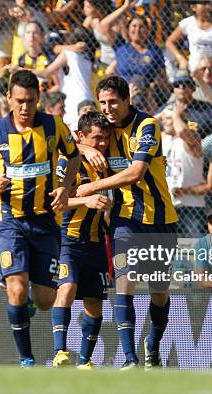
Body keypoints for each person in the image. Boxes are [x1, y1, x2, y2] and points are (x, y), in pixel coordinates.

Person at [0, 70, 81, 367]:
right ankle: (26, 357)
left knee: (46, 300)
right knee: (17, 287)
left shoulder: (53, 126)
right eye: (20, 101)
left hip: (45, 219)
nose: (25, 107)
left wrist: (64, 186)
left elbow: (72, 156)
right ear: (9, 98)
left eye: (31, 101)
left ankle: (29, 307)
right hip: (9, 218)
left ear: (39, 99)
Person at [75, 76, 178, 370]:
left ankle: (153, 345)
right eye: (103, 102)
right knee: (125, 282)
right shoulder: (103, 129)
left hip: (159, 219)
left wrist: (93, 187)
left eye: (113, 102)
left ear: (127, 100)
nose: (107, 108)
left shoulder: (147, 126)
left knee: (159, 290)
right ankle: (130, 358)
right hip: (125, 220)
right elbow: (69, 138)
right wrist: (86, 149)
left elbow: (135, 172)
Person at [51, 111, 112, 370]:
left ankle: (85, 360)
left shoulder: (106, 162)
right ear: (81, 136)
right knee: (67, 287)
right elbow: (53, 202)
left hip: (96, 241)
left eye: (105, 138)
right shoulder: (68, 162)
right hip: (69, 239)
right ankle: (59, 351)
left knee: (94, 302)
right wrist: (85, 200)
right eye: (96, 138)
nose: (102, 144)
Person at [166, 99, 207, 236]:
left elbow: (183, 131)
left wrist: (177, 115)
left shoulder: (192, 139)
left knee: (194, 249)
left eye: (169, 118)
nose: (165, 121)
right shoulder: (167, 141)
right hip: (171, 205)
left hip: (191, 207)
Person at [166, 0, 212, 72]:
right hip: (195, 71)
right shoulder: (188, 23)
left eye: (208, 3)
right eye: (204, 4)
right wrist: (180, 58)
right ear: (193, 7)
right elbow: (169, 42)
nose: (208, 6)